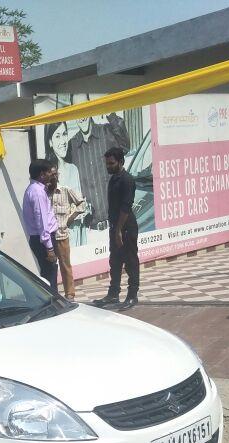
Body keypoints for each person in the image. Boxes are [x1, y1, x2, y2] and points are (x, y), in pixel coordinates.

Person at [66, 102, 129, 234]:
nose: (81, 115)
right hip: (89, 231)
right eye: (77, 109)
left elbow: (125, 146)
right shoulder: (72, 146)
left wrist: (109, 112)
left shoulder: (106, 132)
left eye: (85, 108)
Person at [93, 147, 139, 310]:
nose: (108, 166)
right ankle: (113, 294)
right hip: (115, 227)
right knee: (115, 261)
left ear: (121, 162)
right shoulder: (114, 179)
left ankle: (132, 295)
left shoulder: (127, 180)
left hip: (126, 228)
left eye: (111, 163)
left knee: (130, 262)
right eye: (107, 163)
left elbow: (126, 207)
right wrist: (114, 229)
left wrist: (119, 230)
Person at [46, 166, 86, 300]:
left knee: (65, 265)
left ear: (58, 175)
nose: (53, 177)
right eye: (51, 174)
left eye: (55, 174)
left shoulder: (65, 190)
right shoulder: (44, 193)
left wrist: (71, 218)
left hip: (62, 235)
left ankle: (69, 294)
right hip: (48, 238)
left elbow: (81, 204)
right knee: (50, 268)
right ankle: (53, 294)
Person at [21, 159, 60, 291]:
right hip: (43, 240)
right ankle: (52, 301)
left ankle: (52, 299)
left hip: (41, 239)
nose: (51, 175)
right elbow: (42, 221)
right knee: (50, 275)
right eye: (49, 172)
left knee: (49, 272)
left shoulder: (35, 189)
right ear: (42, 175)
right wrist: (49, 247)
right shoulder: (37, 192)